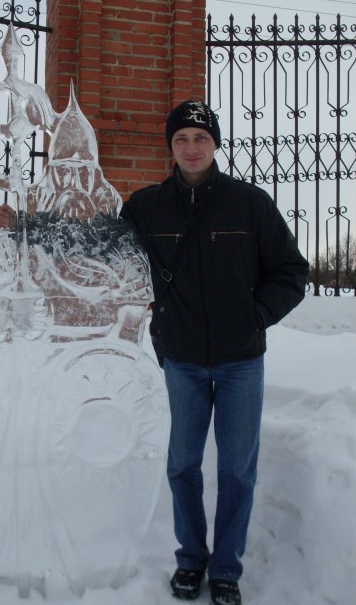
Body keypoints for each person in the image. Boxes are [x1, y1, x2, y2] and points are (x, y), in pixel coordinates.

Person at [119, 100, 309, 605]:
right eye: (181, 139)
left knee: (236, 469)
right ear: (171, 147)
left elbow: (291, 272)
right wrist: (26, 224)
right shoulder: (144, 207)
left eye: (200, 138)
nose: (191, 147)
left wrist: (256, 316)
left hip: (240, 360)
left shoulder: (250, 204)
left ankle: (225, 568)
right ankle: (190, 559)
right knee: (182, 463)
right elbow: (100, 252)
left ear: (216, 144)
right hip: (180, 359)